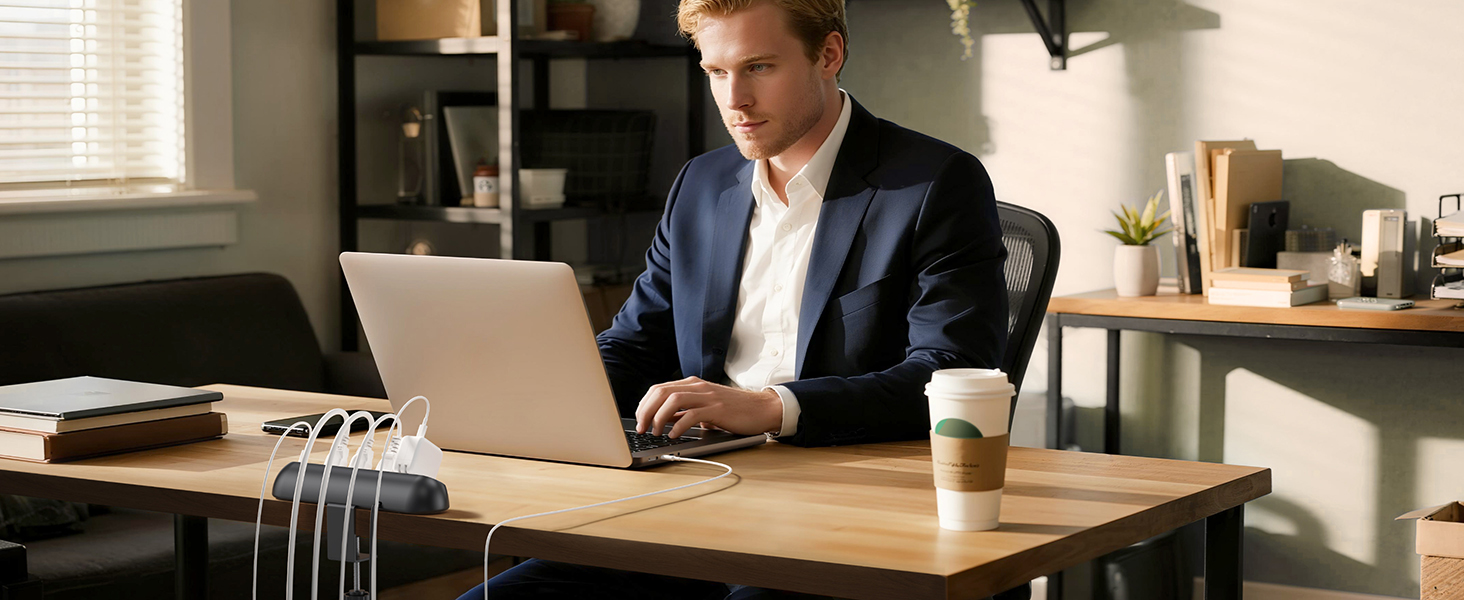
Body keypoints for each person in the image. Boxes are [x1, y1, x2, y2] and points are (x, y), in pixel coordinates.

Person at [459, 0, 1017, 598]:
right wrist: (527, 397)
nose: (735, 100)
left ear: (829, 55)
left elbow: (952, 374)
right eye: (716, 72)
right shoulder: (701, 184)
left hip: (850, 507)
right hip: (693, 494)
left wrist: (772, 406)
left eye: (758, 68)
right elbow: (636, 342)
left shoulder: (933, 184)